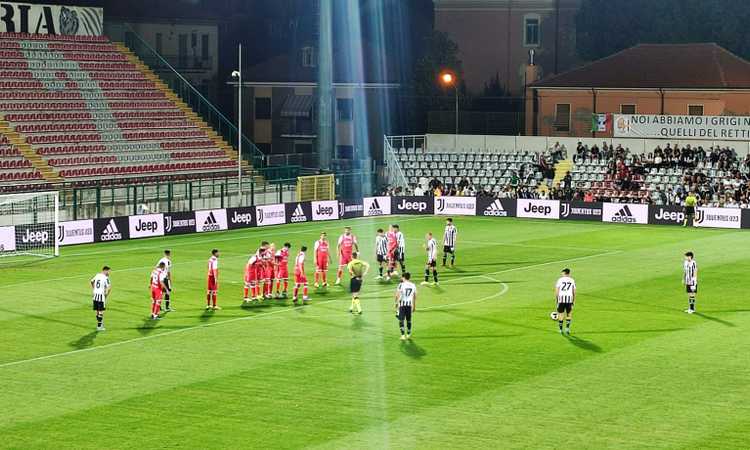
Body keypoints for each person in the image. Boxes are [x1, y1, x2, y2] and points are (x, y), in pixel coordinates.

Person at [394, 272, 417, 341]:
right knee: (409, 320)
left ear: (403, 277)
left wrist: (396, 303)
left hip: (402, 305)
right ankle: (409, 334)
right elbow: (415, 296)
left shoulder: (401, 285)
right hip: (409, 305)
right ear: (409, 277)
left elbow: (397, 295)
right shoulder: (413, 285)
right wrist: (414, 306)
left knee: (401, 320)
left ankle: (403, 335)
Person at [554, 268, 576, 335]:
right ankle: (567, 329)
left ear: (564, 273)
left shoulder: (560, 280)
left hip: (561, 299)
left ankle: (560, 330)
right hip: (569, 299)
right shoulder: (572, 280)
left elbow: (557, 290)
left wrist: (556, 299)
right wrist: (574, 300)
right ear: (569, 273)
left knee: (561, 314)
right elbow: (574, 291)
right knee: (569, 314)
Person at [90, 266, 111, 331]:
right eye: (109, 271)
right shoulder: (106, 278)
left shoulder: (97, 275)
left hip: (95, 295)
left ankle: (99, 324)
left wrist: (94, 289)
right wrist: (106, 295)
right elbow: (109, 287)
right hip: (101, 295)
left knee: (97, 310)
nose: (109, 273)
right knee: (101, 311)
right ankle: (99, 326)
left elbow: (91, 281)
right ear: (105, 270)